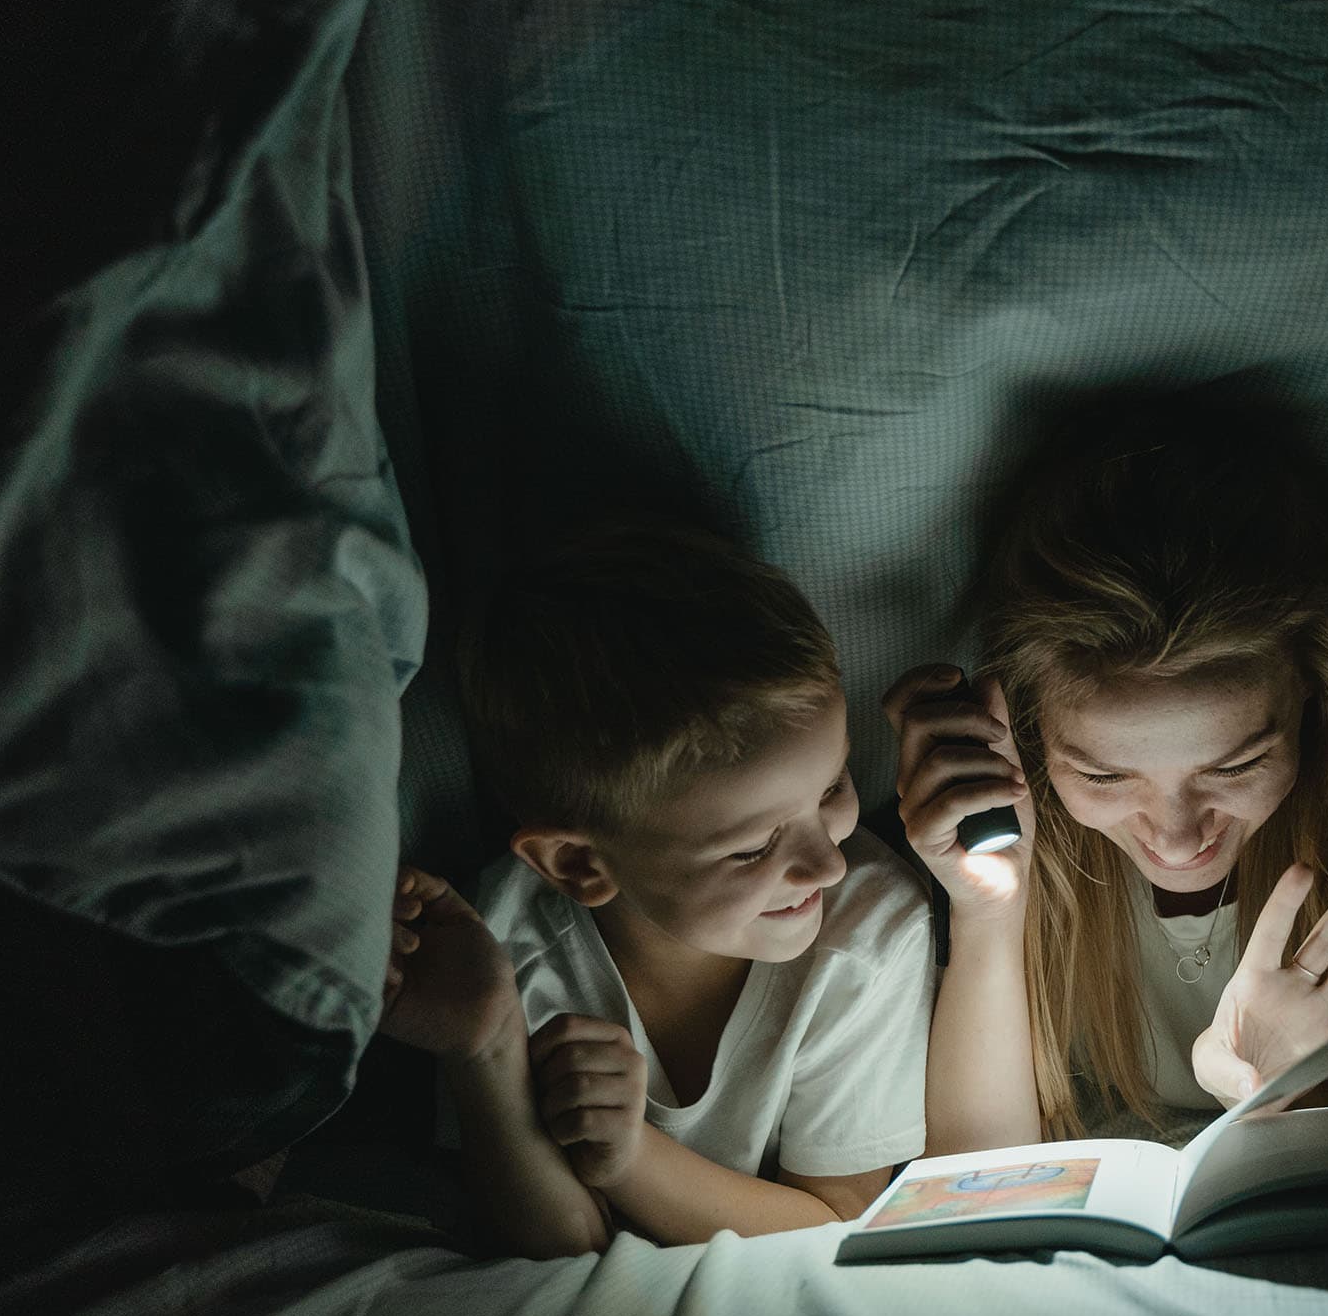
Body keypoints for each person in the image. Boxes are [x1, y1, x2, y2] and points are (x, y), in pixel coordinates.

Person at [375, 525, 933, 1256]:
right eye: (753, 846)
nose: (827, 864)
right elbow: (561, 1247)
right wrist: (484, 1052)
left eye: (831, 786)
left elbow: (836, 1223)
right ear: (578, 865)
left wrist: (634, 1161)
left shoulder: (867, 933)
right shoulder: (498, 946)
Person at [885, 428, 1328, 1146]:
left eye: (1234, 767)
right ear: (1029, 732)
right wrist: (985, 916)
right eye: (1102, 774)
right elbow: (979, 1172)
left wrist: (1289, 1088)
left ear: (1313, 700)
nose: (1176, 837)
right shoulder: (1006, 837)